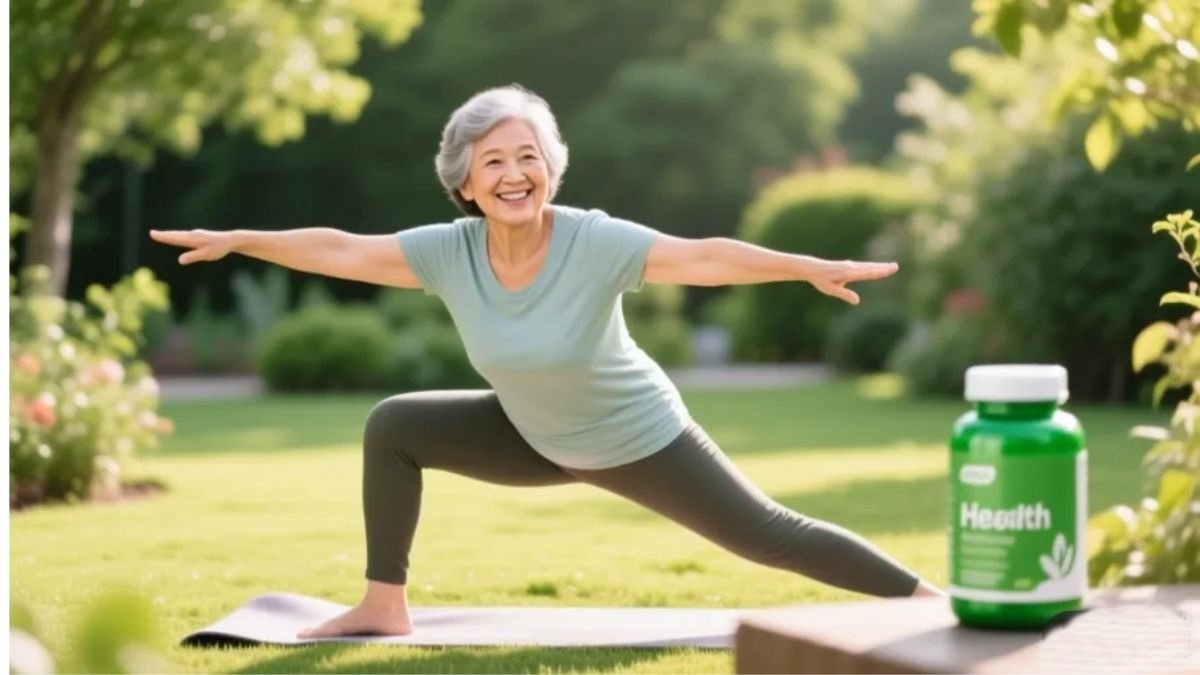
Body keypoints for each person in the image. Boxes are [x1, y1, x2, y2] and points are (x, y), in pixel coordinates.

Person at [151, 84, 945, 639]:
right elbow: (341, 247)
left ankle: (932, 602)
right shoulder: (448, 253)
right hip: (532, 435)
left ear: (551, 167)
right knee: (394, 425)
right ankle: (382, 602)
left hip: (638, 436)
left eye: (527, 156)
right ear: (464, 181)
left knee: (773, 535)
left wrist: (801, 265)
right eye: (493, 161)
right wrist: (240, 238)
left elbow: (702, 256)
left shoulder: (591, 240)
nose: (514, 174)